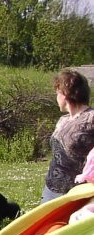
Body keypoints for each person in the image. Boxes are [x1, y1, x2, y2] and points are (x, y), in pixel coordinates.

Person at [41, 68, 94, 204]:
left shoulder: (91, 117)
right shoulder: (63, 120)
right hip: (52, 189)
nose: (56, 97)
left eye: (57, 93)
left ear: (65, 93)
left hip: (79, 192)